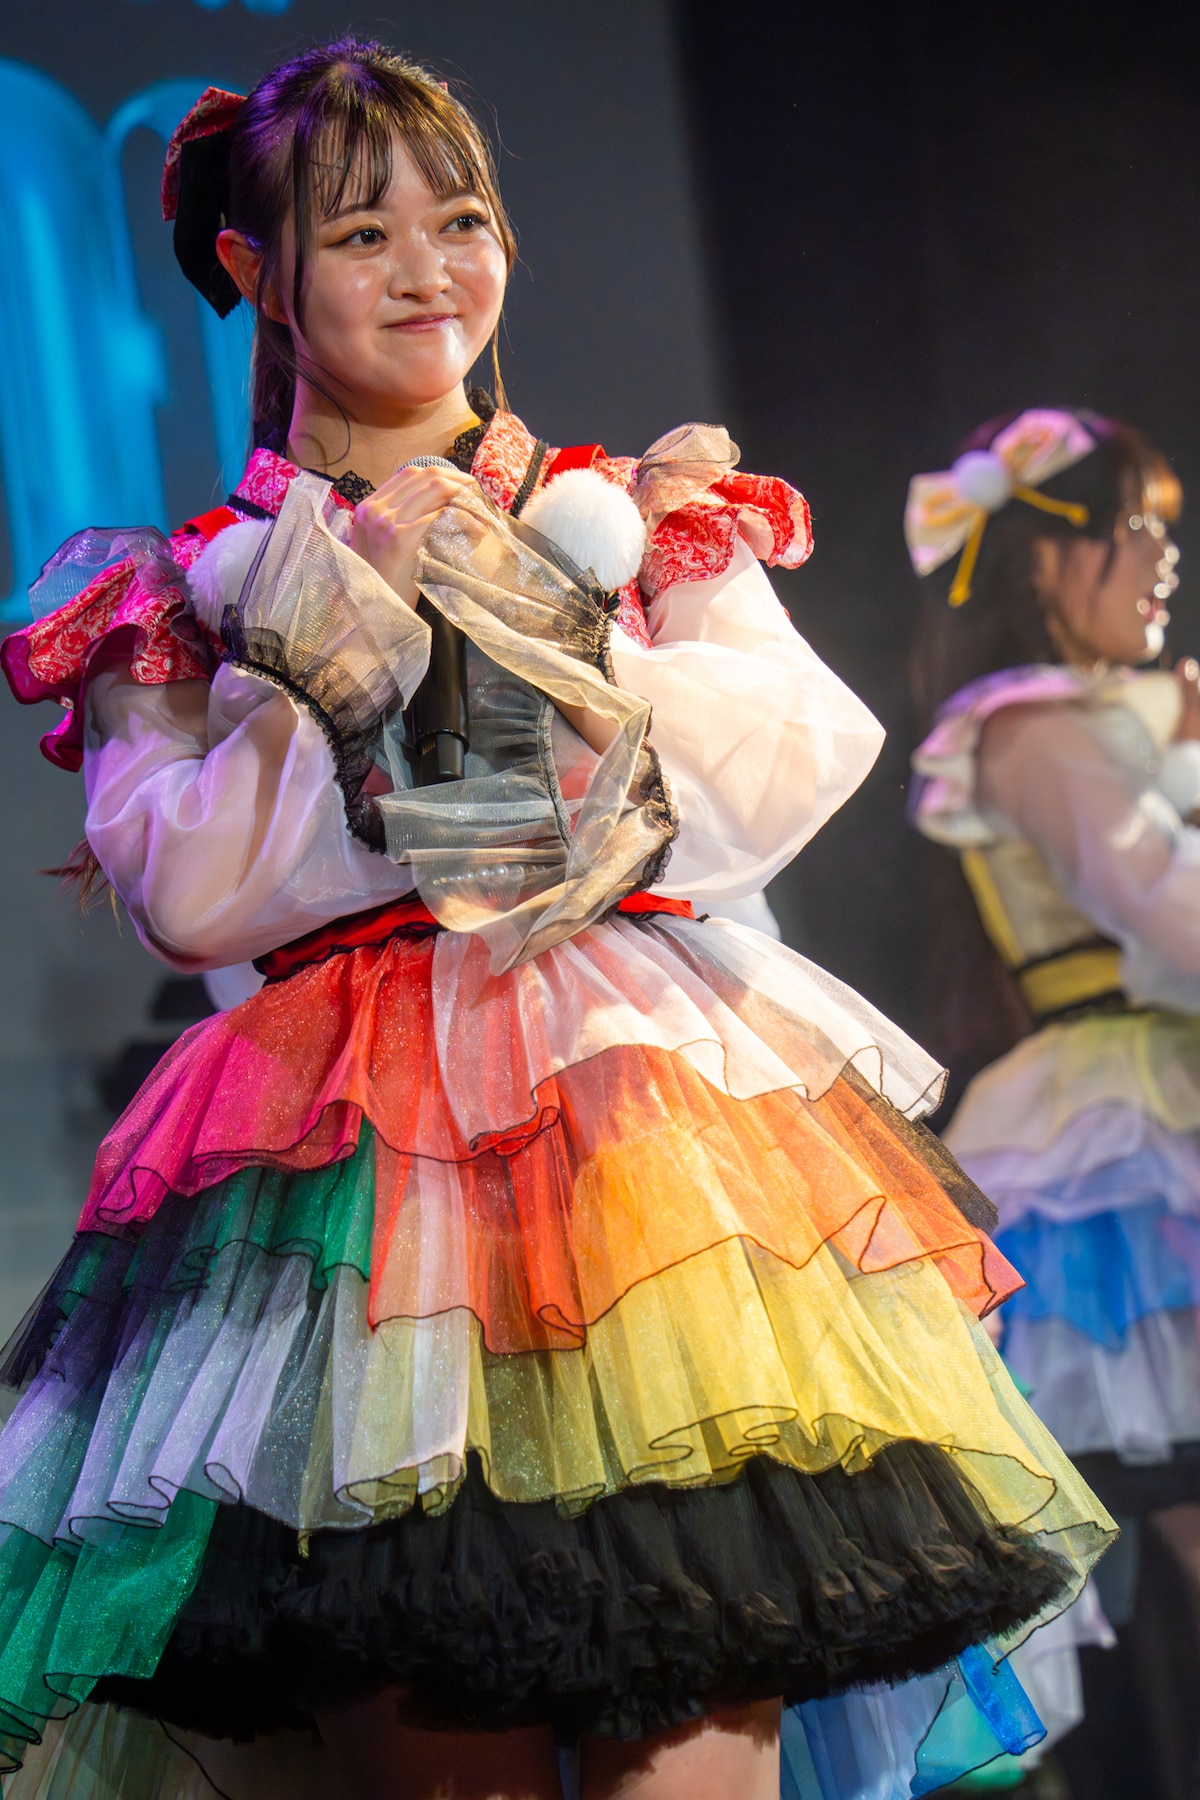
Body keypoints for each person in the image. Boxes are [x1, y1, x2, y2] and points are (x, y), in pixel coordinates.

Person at [0, 51, 1109, 1800]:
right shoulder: (191, 588)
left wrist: (564, 636)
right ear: (253, 269)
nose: (427, 270)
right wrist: (345, 626)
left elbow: (790, 763)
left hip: (638, 1154)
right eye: (363, 233)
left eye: (461, 221)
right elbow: (193, 894)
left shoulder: (630, 513)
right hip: (357, 1207)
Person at [908, 407, 1200, 1791]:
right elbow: (1161, 903)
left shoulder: (1118, 713)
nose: (1163, 559)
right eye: (1133, 528)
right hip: (1119, 1131)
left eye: (1162, 530)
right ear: (1041, 561)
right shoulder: (1025, 724)